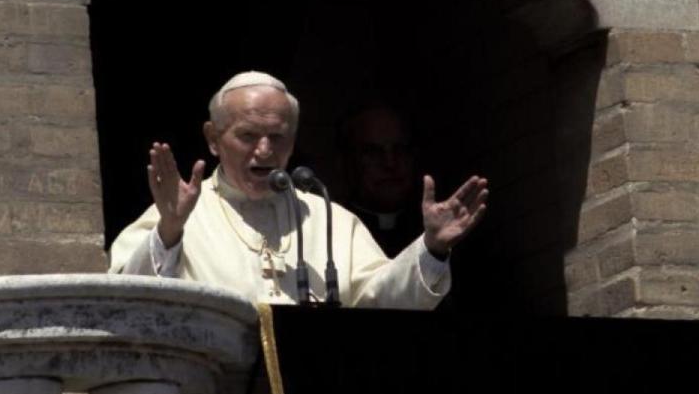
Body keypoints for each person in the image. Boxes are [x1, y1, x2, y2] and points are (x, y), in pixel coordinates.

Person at [108, 71, 488, 310]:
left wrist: (432, 249)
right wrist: (170, 232)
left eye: (278, 137)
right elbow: (128, 302)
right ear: (213, 138)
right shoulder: (179, 212)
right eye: (248, 136)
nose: (264, 150)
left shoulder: (328, 219)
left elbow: (381, 301)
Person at [338, 103, 423, 257]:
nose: (390, 163)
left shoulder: (436, 233)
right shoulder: (334, 234)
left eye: (400, 149)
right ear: (348, 161)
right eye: (372, 152)